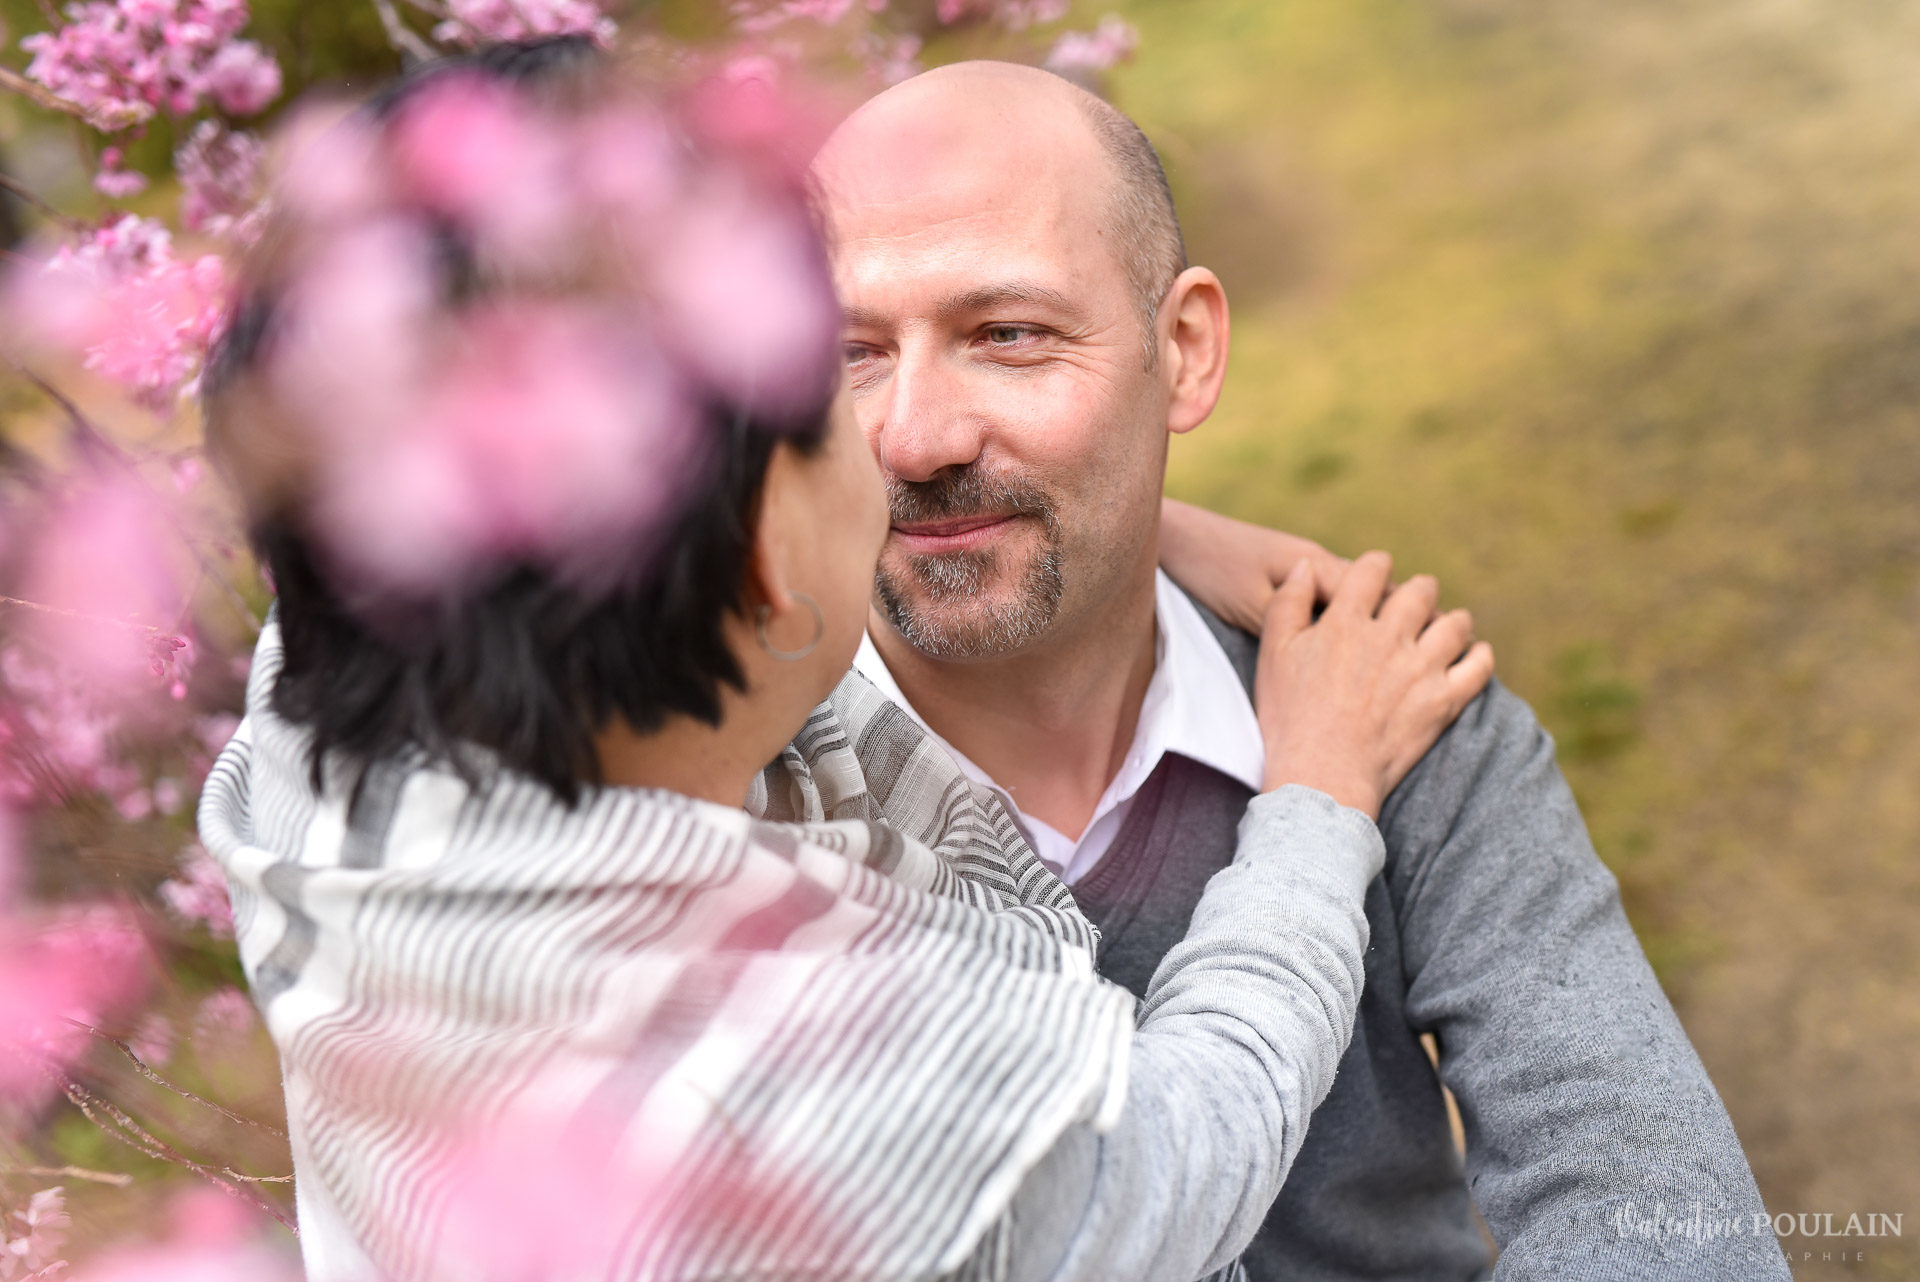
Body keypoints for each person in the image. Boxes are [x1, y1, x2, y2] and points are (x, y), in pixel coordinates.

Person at [195, 40, 1491, 1282]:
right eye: (842, 384)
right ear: (766, 570)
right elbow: (1182, 1149)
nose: (911, 443)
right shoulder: (818, 1084)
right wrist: (1317, 795)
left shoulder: (323, 762)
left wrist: (1131, 518)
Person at [816, 60, 1790, 1281]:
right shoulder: (730, 801)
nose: (914, 434)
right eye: (852, 352)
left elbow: (1661, 1218)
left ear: (1185, 350)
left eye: (1007, 335)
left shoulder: (1388, 698)